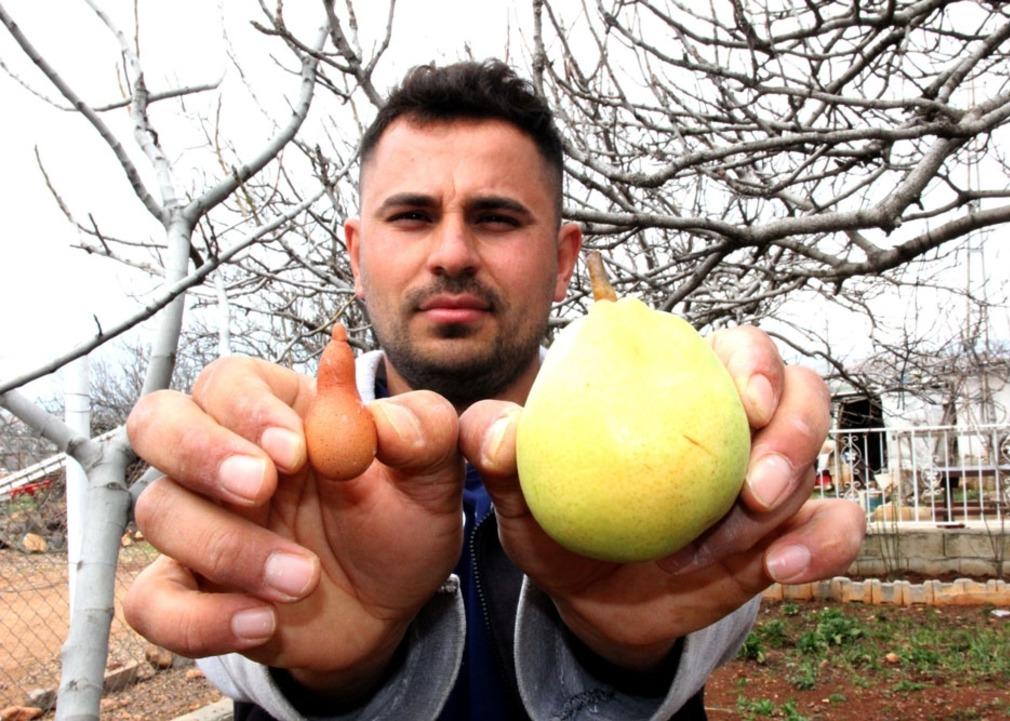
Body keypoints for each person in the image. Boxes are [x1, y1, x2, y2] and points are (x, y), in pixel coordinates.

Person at [123, 60, 866, 721]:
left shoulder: (671, 422)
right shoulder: (284, 458)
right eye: (412, 215)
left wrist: (632, 636)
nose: (451, 253)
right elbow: (219, 623)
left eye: (496, 217)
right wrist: (327, 667)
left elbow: (690, 620)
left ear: (563, 257)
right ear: (356, 252)